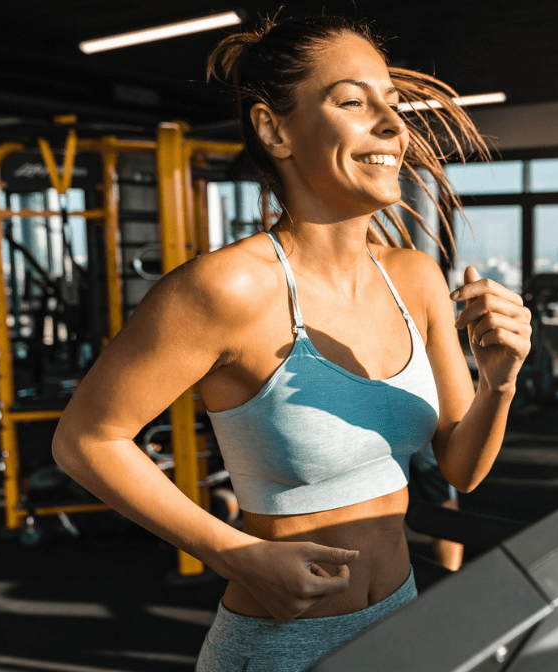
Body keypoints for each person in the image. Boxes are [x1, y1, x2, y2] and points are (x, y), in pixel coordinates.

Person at [51, 15, 530, 671]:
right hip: (283, 646)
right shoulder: (225, 289)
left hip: (402, 618)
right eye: (354, 102)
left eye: (392, 103)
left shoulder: (416, 278)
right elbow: (85, 439)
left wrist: (500, 378)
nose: (393, 125)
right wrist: (232, 552)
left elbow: (462, 468)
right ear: (275, 129)